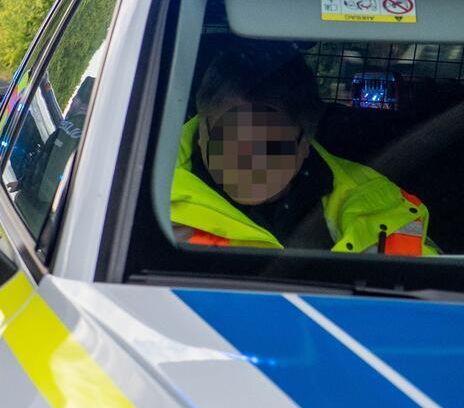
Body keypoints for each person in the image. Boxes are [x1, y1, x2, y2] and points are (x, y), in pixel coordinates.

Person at [171, 40, 435, 253]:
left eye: (269, 147)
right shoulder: (147, 196)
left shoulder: (385, 209)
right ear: (202, 134)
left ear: (304, 144)